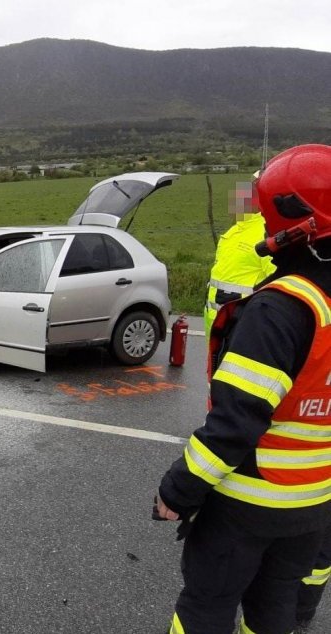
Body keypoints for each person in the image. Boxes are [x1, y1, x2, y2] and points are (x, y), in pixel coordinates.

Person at [154, 143, 331, 634]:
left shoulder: (285, 308)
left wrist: (179, 490)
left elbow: (235, 423)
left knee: (207, 606)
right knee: (272, 610)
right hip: (313, 505)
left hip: (250, 500)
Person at [203, 178, 276, 339]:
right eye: (236, 198)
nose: (236, 204)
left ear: (257, 201)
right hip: (216, 324)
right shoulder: (233, 232)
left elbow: (276, 282)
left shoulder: (264, 232)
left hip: (243, 324)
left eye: (243, 198)